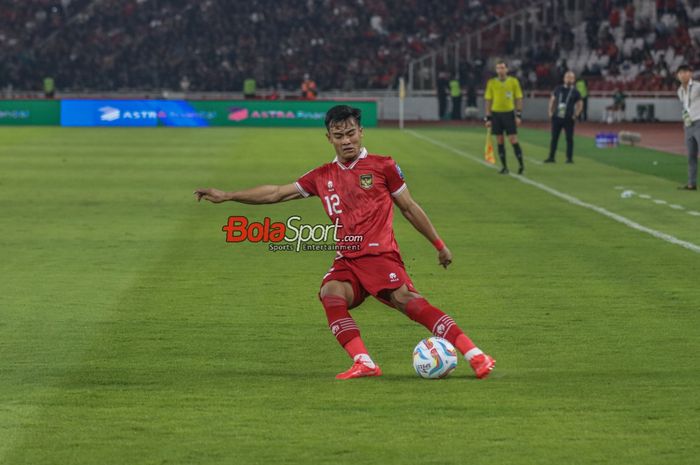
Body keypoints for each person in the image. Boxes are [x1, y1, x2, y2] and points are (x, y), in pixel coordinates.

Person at [194, 105, 496, 380]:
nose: (346, 140)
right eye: (339, 135)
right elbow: (276, 193)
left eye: (351, 133)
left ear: (361, 133)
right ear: (329, 138)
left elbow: (409, 207)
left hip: (380, 256)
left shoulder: (383, 166)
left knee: (410, 303)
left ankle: (476, 355)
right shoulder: (322, 176)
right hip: (347, 260)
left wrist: (439, 244)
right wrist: (229, 195)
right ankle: (364, 361)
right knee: (331, 293)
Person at [484, 61, 525, 174]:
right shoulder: (491, 83)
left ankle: (521, 165)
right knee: (500, 140)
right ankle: (504, 167)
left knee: (513, 139)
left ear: (506, 69)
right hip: (496, 114)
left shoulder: (513, 81)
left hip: (509, 113)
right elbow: (488, 100)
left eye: (502, 68)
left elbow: (519, 98)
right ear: (496, 70)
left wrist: (518, 114)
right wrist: (488, 118)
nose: (500, 70)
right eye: (498, 68)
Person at [545, 71, 583, 164]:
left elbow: (580, 104)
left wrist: (576, 115)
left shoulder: (575, 92)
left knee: (569, 139)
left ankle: (569, 158)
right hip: (557, 117)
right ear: (564, 78)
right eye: (567, 77)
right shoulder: (558, 88)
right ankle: (551, 157)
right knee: (554, 138)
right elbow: (552, 100)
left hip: (569, 118)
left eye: (571, 77)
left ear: (574, 80)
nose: (569, 79)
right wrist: (550, 111)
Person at [676, 65, 699, 190]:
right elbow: (686, 106)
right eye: (680, 73)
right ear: (677, 76)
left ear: (690, 73)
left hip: (699, 122)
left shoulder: (697, 87)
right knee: (691, 155)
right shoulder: (679, 91)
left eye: (685, 72)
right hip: (688, 125)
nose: (682, 75)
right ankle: (691, 183)